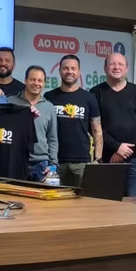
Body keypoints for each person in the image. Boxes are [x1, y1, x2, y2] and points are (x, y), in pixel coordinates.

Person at [91, 52, 136, 197]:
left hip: (133, 157)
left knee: (132, 200)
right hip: (106, 157)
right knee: (107, 200)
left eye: (120, 64)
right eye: (112, 64)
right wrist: (117, 147)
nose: (116, 67)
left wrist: (126, 150)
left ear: (127, 68)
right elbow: (93, 126)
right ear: (105, 68)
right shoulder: (95, 92)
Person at [45, 55, 102, 187]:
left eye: (73, 68)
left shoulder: (89, 98)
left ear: (79, 72)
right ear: (60, 71)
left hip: (82, 162)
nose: (69, 71)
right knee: (52, 198)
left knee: (83, 197)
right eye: (66, 68)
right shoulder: (49, 96)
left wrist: (97, 160)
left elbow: (97, 130)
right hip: (55, 162)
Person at [9, 65, 57, 182]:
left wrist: (53, 164)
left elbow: (52, 139)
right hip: (16, 161)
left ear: (44, 84)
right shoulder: (10, 102)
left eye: (40, 80)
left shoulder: (49, 107)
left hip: (41, 164)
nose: (36, 83)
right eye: (32, 79)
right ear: (25, 81)